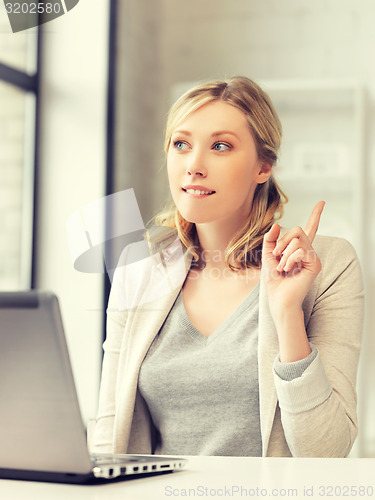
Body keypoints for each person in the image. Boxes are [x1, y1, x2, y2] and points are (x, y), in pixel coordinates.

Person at [92, 76, 364, 457]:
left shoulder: (329, 266)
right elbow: (109, 432)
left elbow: (326, 450)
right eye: (181, 144)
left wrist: (287, 314)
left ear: (263, 166)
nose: (194, 166)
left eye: (220, 146)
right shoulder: (139, 272)